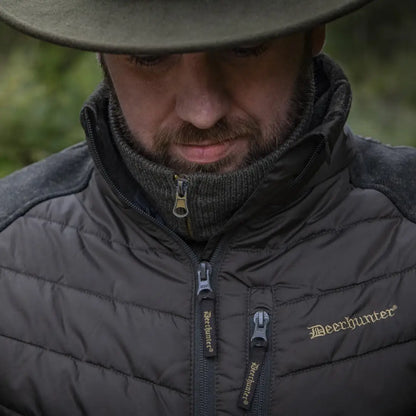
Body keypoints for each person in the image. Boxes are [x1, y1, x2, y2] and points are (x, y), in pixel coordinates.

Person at [0, 0, 416, 415]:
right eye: (149, 57)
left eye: (245, 47)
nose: (202, 112)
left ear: (313, 33)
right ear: (101, 54)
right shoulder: (9, 255)